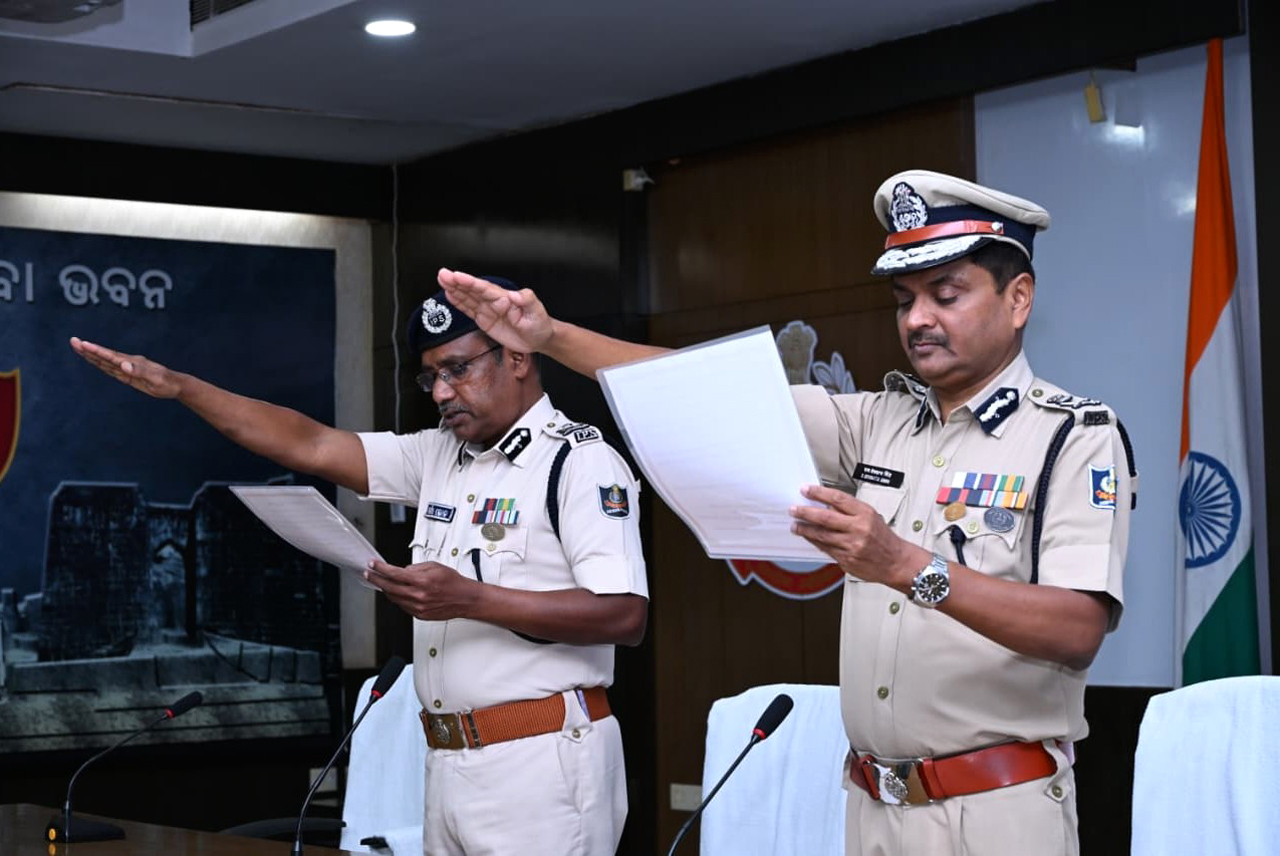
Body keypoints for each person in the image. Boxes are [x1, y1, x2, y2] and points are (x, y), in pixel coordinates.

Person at [440, 169, 1137, 856]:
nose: (918, 319)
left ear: (1018, 299)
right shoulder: (879, 420)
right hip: (874, 806)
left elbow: (1077, 629)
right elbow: (695, 392)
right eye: (904, 300)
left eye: (945, 295)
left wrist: (903, 564)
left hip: (995, 813)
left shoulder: (1073, 436)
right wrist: (550, 337)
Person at [69, 278, 649, 856]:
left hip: (542, 762)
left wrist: (470, 599)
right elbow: (312, 445)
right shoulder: (440, 455)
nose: (441, 392)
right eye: (430, 377)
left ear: (518, 357)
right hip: (447, 761)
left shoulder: (579, 462)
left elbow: (624, 616)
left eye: (457, 369)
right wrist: (182, 388)